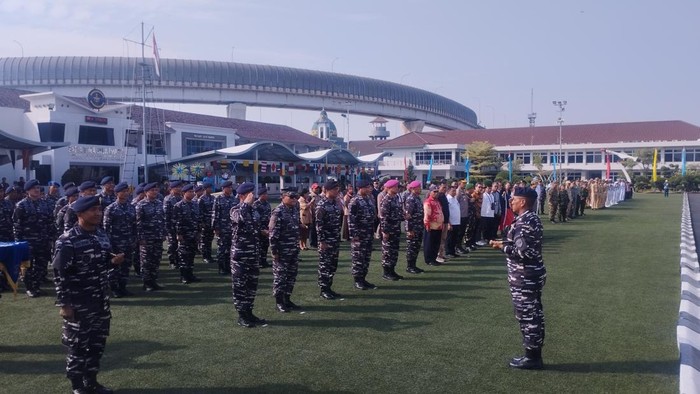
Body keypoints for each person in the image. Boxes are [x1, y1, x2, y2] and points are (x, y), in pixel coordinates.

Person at [53, 195, 125, 393]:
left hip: (100, 301)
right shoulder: (67, 240)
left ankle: (91, 382)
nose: (98, 213)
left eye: (99, 210)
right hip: (78, 304)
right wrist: (64, 304)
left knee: (96, 345)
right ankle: (78, 387)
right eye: (92, 210)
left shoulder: (101, 235)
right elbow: (60, 274)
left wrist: (113, 262)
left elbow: (102, 264)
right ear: (79, 214)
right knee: (77, 347)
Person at [489, 188, 546, 370]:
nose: (511, 201)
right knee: (533, 315)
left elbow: (523, 252)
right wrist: (505, 243)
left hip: (525, 277)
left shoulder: (524, 222)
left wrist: (502, 248)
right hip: (530, 275)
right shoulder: (531, 218)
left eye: (514, 199)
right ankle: (533, 355)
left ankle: (532, 358)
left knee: (528, 317)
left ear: (523, 202)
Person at [230, 182, 266, 328]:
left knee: (251, 286)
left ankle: (249, 312)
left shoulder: (254, 210)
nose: (253, 196)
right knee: (240, 287)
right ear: (241, 196)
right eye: (249, 193)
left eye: (253, 193)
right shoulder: (235, 209)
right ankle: (242, 316)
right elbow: (240, 219)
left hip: (253, 254)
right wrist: (245, 204)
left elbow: (255, 226)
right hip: (240, 255)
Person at [13, 179, 56, 297]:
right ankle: (30, 288)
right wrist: (19, 243)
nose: (37, 190)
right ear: (27, 191)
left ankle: (37, 287)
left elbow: (49, 222)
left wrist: (51, 237)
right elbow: (17, 225)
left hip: (43, 241)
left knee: (41, 266)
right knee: (28, 266)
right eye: (34, 188)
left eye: (38, 188)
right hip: (28, 242)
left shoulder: (44, 203)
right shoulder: (21, 205)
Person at [269, 187, 303, 312]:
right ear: (283, 197)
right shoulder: (277, 212)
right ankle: (279, 302)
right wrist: (274, 251)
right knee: (280, 276)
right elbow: (273, 234)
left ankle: (287, 299)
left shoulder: (294, 209)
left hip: (293, 248)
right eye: (291, 197)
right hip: (282, 250)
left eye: (295, 196)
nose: (294, 199)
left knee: (291, 275)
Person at [103, 182, 137, 298]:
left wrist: (134, 239)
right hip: (115, 243)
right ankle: (114, 289)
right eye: (123, 191)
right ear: (117, 193)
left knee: (126, 267)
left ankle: (123, 287)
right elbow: (106, 228)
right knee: (115, 268)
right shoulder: (110, 208)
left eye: (127, 191)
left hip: (128, 242)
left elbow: (134, 225)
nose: (126, 193)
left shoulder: (131, 207)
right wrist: (108, 245)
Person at [348, 179, 378, 289]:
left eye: (370, 187)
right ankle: (357, 280)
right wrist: (354, 235)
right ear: (360, 188)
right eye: (367, 187)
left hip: (368, 233)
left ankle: (363, 279)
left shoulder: (369, 199)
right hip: (359, 235)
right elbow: (351, 220)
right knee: (358, 258)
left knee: (366, 258)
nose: (370, 189)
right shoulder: (355, 201)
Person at [136, 182, 166, 292]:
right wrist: (141, 238)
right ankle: (146, 283)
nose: (154, 192)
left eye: (156, 190)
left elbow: (162, 220)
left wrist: (163, 233)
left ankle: (153, 281)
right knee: (146, 261)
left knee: (156, 260)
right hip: (147, 238)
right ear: (146, 192)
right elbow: (138, 223)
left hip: (157, 236)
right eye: (152, 190)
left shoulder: (159, 203)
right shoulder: (141, 205)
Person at [316, 180, 342, 300]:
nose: (337, 191)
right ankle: (324, 289)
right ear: (326, 190)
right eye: (334, 189)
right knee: (325, 265)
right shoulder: (322, 205)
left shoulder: (335, 203)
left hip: (335, 239)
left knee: (332, 265)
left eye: (337, 189)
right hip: (326, 241)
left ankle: (329, 287)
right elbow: (319, 225)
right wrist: (322, 241)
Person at [174, 184, 202, 284]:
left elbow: (198, 219)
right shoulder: (178, 205)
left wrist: (199, 232)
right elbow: (177, 221)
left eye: (192, 192)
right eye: (189, 192)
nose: (191, 193)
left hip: (193, 234)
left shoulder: (195, 204)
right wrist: (179, 234)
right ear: (183, 193)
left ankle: (190, 274)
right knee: (184, 256)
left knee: (191, 255)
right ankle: (184, 276)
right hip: (184, 235)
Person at [380, 179, 404, 281]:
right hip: (389, 230)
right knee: (388, 251)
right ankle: (386, 272)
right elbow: (384, 217)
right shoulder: (386, 200)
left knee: (394, 251)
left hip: (396, 229)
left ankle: (392, 270)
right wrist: (385, 231)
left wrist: (404, 216)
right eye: (396, 187)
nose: (398, 188)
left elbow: (397, 214)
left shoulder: (395, 198)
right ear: (390, 188)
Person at [212, 181, 237, 275]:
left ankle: (228, 267)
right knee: (222, 249)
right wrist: (216, 228)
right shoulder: (218, 199)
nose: (231, 189)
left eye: (231, 187)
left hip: (232, 229)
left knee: (231, 249)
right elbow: (215, 214)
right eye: (229, 187)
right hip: (222, 228)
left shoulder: (233, 198)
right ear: (223, 188)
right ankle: (221, 268)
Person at [404, 180, 425, 274]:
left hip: (418, 227)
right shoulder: (410, 199)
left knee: (416, 247)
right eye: (418, 187)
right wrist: (409, 230)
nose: (420, 189)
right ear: (413, 189)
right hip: (413, 228)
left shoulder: (417, 198)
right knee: (411, 247)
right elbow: (408, 216)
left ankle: (413, 265)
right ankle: (409, 266)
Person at [163, 180, 183, 270]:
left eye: (180, 187)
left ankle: (179, 260)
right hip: (171, 226)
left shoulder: (180, 198)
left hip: (179, 226)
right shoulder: (168, 199)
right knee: (172, 245)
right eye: (177, 187)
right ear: (172, 189)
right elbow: (166, 215)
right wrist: (167, 229)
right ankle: (173, 262)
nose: (179, 189)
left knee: (180, 245)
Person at [423, 185, 444, 266]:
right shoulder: (428, 202)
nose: (436, 193)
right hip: (431, 226)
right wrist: (427, 224)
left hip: (438, 226)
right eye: (434, 192)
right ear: (430, 192)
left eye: (437, 191)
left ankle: (434, 258)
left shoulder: (437, 201)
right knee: (429, 244)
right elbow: (427, 215)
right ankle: (429, 259)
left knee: (436, 243)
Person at [252, 186, 271, 269]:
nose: (267, 195)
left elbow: (269, 216)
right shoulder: (255, 204)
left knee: (265, 245)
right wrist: (260, 229)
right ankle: (258, 262)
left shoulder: (267, 204)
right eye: (265, 194)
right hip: (259, 228)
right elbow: (255, 218)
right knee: (258, 246)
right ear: (261, 195)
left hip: (267, 228)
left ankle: (264, 261)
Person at [196, 182, 215, 264]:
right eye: (209, 188)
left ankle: (209, 256)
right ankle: (205, 257)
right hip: (205, 223)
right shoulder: (201, 199)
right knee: (204, 241)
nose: (211, 189)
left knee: (209, 240)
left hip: (211, 223)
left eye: (211, 188)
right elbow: (199, 212)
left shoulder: (213, 198)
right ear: (205, 189)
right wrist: (201, 222)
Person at [445, 186, 461, 258]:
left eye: (455, 191)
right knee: (449, 238)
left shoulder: (455, 199)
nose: (454, 192)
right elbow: (447, 212)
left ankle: (453, 251)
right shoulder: (448, 199)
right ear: (448, 191)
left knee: (454, 238)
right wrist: (448, 223)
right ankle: (448, 252)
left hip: (457, 222)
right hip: (451, 222)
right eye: (453, 191)